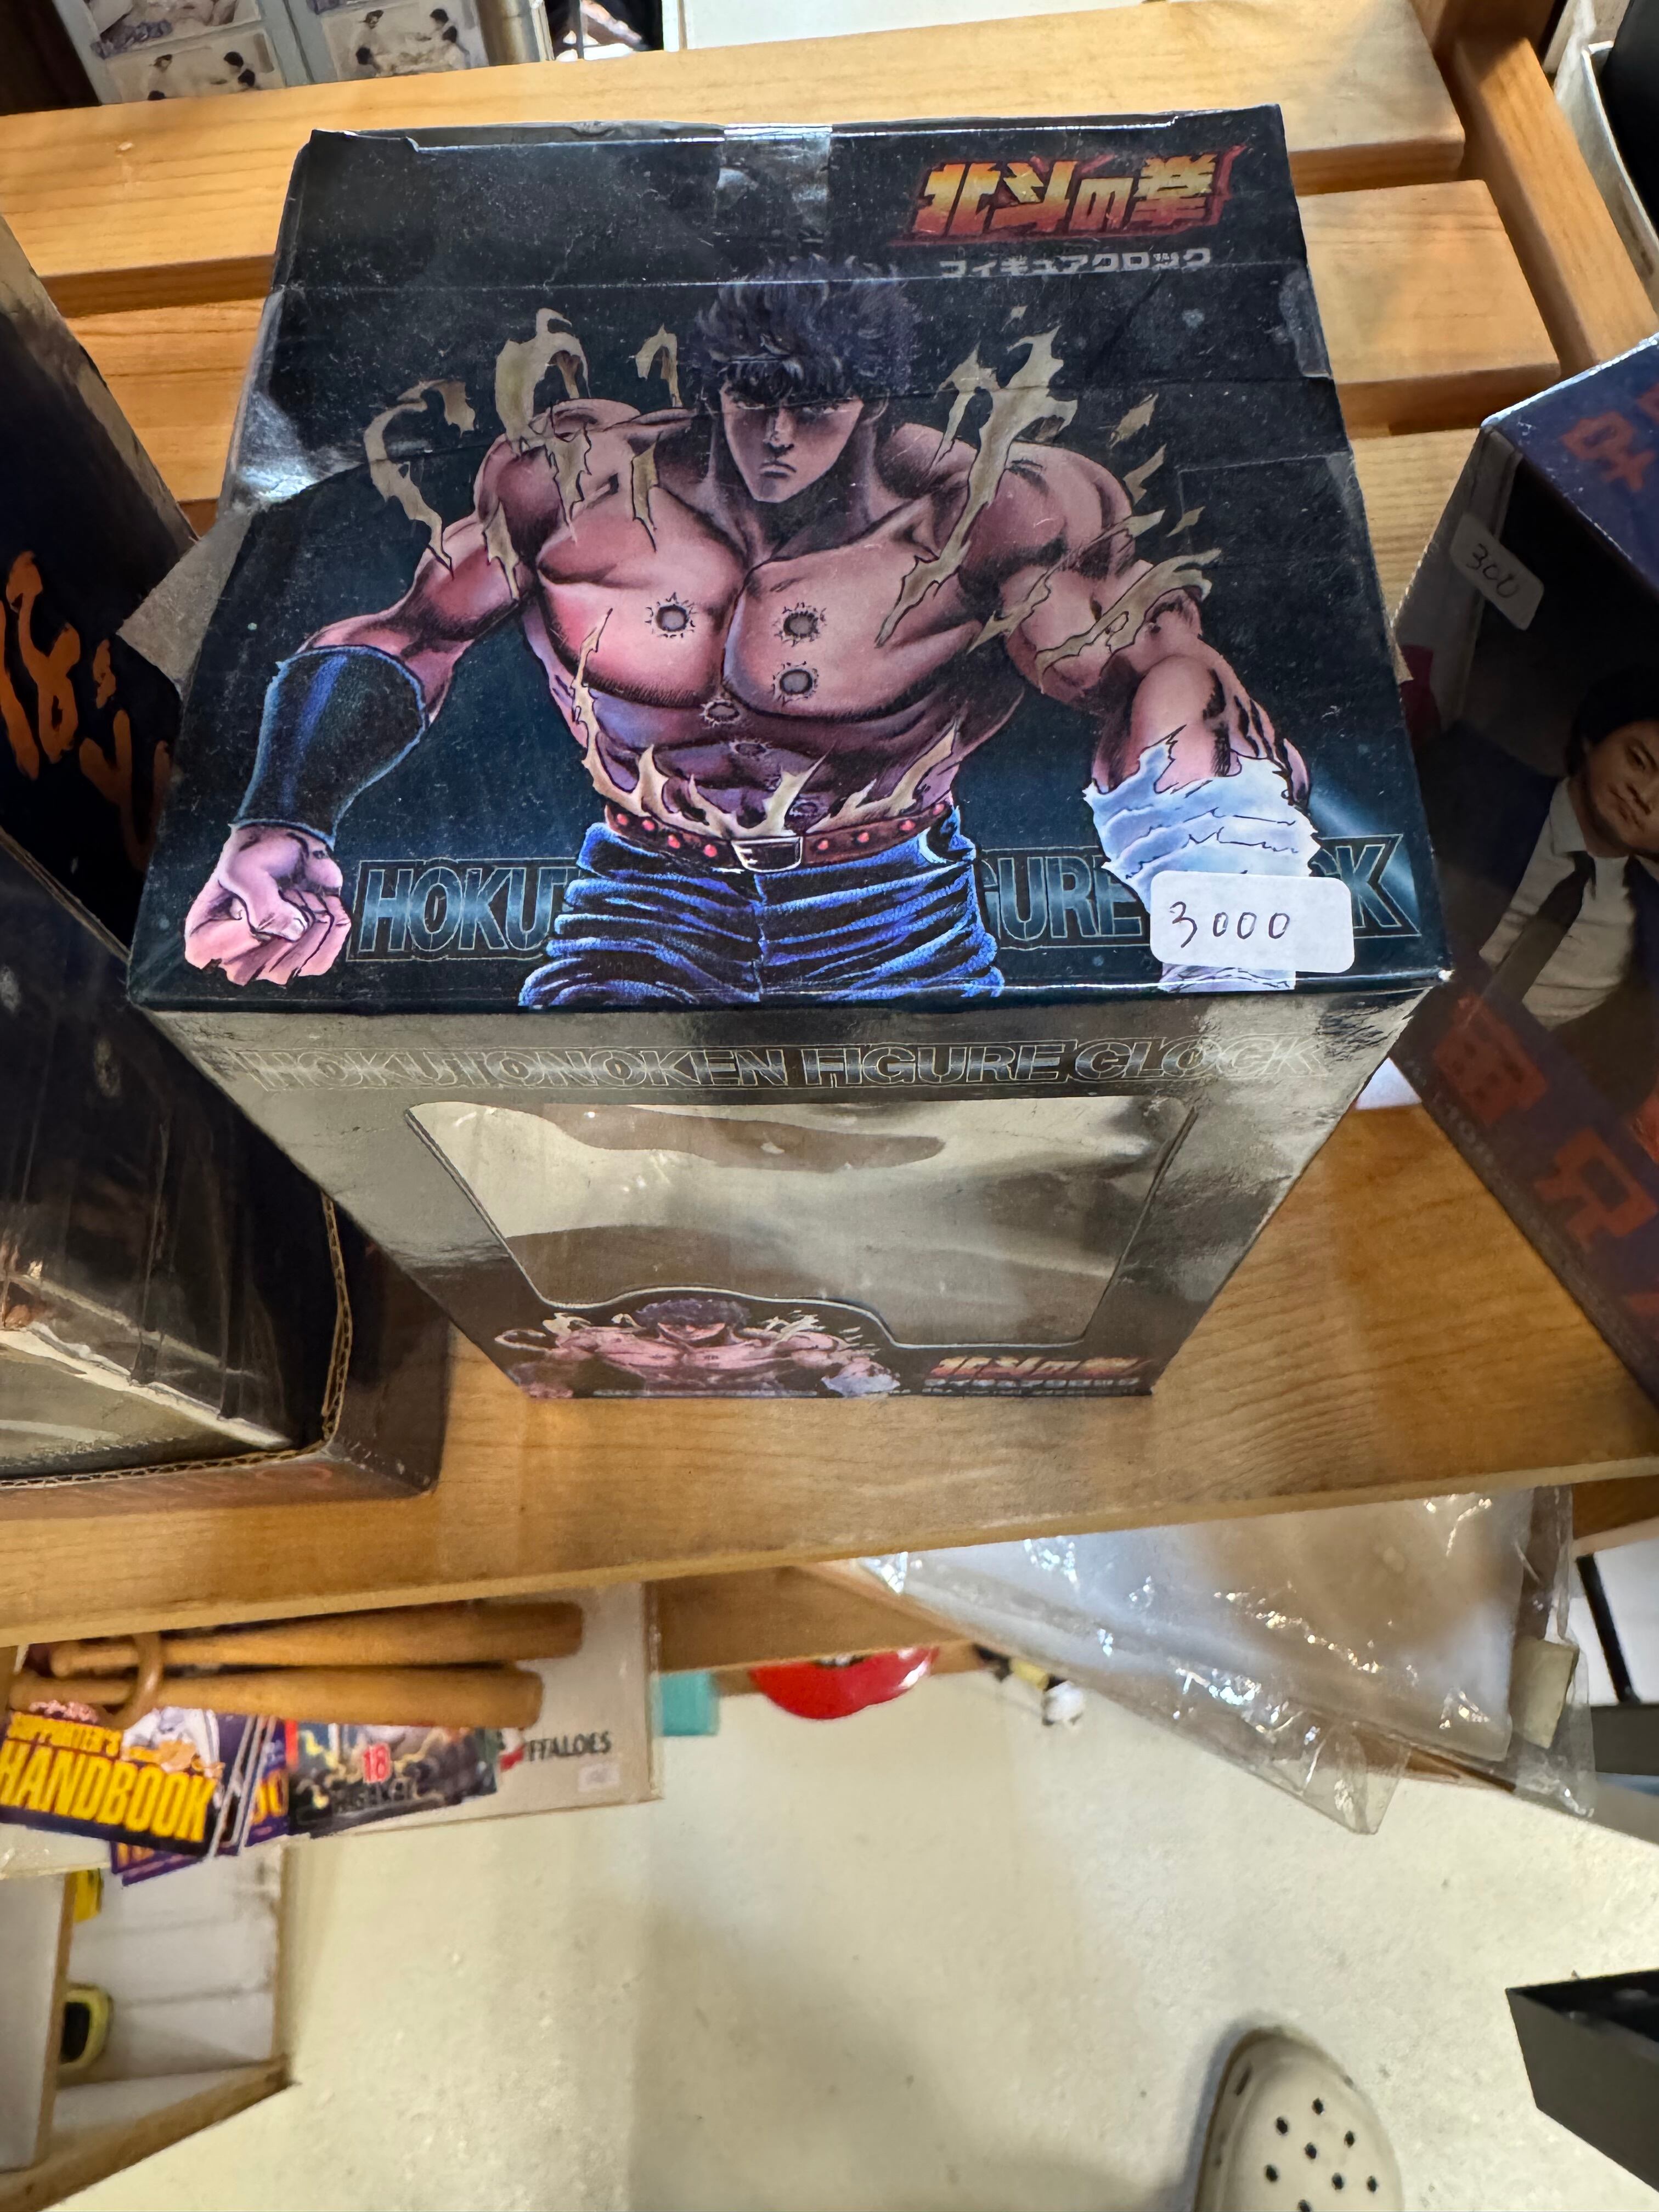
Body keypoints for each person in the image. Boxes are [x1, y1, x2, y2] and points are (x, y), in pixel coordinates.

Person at [183, 257, 1315, 1006]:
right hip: (645, 893)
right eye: (751, 398)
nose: (776, 435)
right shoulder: (577, 487)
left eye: (813, 407)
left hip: (889, 910)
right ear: (709, 384)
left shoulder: (983, 516)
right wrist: (283, 816)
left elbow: (1158, 672)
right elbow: (411, 635)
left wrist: (1227, 926)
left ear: (873, 400)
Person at [1417, 667, 1659, 1113]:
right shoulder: (1471, 779)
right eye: (1638, 761)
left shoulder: (1649, 931)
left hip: (1501, 1110)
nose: (1644, 795)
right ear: (1594, 737)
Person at [498, 1294, 899, 1398]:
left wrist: (851, 1376)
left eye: (704, 1323)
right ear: (656, 1322)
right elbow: (556, 1362)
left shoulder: (767, 1348)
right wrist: (552, 1378)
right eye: (677, 1323)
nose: (690, 1330)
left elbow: (845, 1361)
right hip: (647, 1410)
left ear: (728, 1323)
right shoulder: (614, 1342)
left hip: (762, 1407)